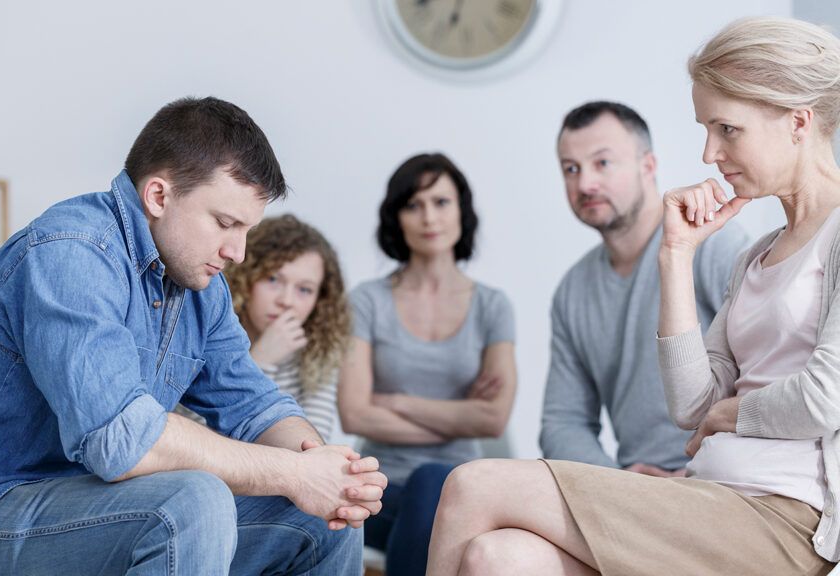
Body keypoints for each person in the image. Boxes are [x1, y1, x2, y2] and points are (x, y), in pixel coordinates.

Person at [0, 97, 385, 575]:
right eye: (225, 223)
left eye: (246, 230)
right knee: (191, 500)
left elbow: (255, 406)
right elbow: (121, 440)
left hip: (90, 506)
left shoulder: (197, 280)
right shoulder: (71, 253)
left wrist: (325, 469)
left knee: (323, 520)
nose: (237, 251)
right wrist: (294, 474)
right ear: (158, 196)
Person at [426, 16, 840, 576]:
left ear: (798, 121)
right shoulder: (755, 255)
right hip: (711, 495)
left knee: (473, 484)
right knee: (496, 557)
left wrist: (730, 414)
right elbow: (691, 406)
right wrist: (675, 255)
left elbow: (824, 398)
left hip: (785, 517)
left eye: (727, 129)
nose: (708, 152)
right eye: (706, 129)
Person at [541, 101, 748, 476]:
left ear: (648, 166)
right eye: (571, 169)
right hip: (627, 490)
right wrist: (616, 482)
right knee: (489, 536)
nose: (585, 183)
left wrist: (698, 471)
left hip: (722, 479)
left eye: (602, 163)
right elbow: (562, 422)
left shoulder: (710, 241)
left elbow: (764, 376)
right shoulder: (573, 291)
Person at [338, 153, 517, 575]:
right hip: (378, 492)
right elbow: (353, 413)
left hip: (464, 493)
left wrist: (395, 401)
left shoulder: (492, 307)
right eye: (413, 205)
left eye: (441, 202)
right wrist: (460, 415)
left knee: (435, 481)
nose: (428, 217)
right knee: (426, 489)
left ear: (461, 211)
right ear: (397, 218)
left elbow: (492, 419)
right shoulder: (367, 301)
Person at [183, 213, 348, 441]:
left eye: (305, 290)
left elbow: (312, 444)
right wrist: (260, 360)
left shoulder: (320, 352)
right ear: (246, 277)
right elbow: (193, 440)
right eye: (273, 280)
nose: (287, 300)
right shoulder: (206, 335)